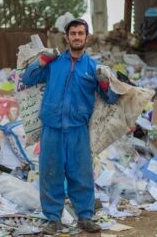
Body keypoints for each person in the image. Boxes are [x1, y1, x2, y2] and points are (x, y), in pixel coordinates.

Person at [22, 19, 118, 234]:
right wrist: (41, 61)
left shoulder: (93, 68)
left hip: (77, 130)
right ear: (66, 37)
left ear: (86, 37)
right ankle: (53, 219)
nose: (76, 37)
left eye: (80, 33)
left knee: (81, 175)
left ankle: (85, 217)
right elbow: (27, 79)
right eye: (72, 33)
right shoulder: (55, 63)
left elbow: (110, 99)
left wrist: (104, 83)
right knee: (50, 174)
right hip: (52, 128)